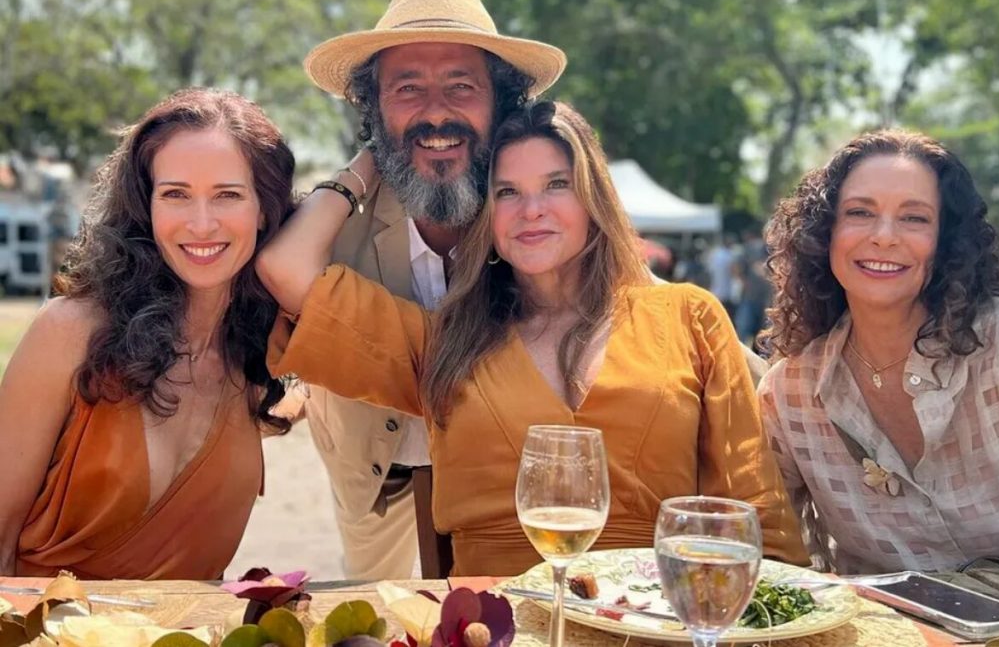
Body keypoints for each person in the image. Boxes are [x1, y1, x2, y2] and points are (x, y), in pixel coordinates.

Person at [258, 100, 809, 577]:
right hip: (496, 621)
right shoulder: (443, 341)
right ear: (487, 215)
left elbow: (757, 515)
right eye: (507, 191)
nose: (532, 210)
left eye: (556, 184)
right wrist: (377, 153)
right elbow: (286, 267)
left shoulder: (689, 317)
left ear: (594, 197)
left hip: (651, 618)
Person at [294, 0, 566, 579]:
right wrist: (372, 157)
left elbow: (641, 303)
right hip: (374, 479)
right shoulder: (333, 224)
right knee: (375, 614)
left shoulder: (536, 213)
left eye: (461, 86)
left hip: (505, 478)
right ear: (374, 109)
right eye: (407, 89)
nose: (436, 112)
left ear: (501, 104)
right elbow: (278, 274)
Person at [0, 88, 295, 579]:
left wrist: (365, 164)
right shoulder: (71, 332)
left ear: (265, 209)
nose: (201, 224)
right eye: (175, 194)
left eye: (228, 195)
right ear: (146, 205)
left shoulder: (255, 359)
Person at [759, 129, 999, 573]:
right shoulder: (789, 396)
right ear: (824, 233)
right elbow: (775, 560)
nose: (884, 237)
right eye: (860, 212)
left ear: (947, 241)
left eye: (914, 218)